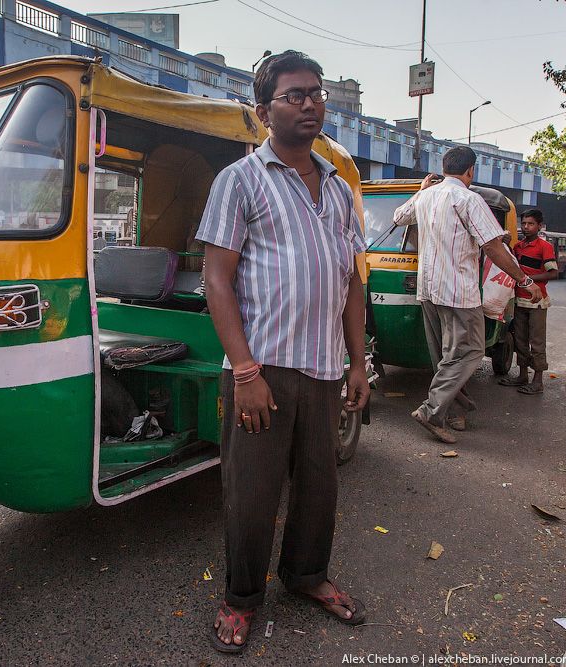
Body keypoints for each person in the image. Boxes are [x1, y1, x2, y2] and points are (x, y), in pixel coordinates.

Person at [196, 50, 369, 654]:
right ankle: (240, 599)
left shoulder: (341, 191)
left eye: (316, 93)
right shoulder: (239, 180)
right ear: (264, 109)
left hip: (323, 369)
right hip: (261, 370)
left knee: (320, 487)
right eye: (294, 95)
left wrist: (357, 360)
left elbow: (350, 279)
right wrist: (244, 370)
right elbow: (217, 279)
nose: (310, 103)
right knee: (251, 492)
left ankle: (307, 577)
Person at [392, 146, 543, 444]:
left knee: (445, 358)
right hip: (458, 292)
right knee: (471, 351)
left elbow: (399, 217)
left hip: (428, 290)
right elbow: (493, 247)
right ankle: (432, 411)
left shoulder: (425, 196)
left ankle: (456, 411)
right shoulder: (468, 199)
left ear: (444, 167)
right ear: (470, 171)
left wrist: (421, 190)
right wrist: (524, 279)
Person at [498, 209, 558, 394]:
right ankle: (523, 375)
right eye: (523, 223)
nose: (526, 227)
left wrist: (528, 280)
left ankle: (538, 381)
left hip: (536, 301)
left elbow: (553, 272)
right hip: (519, 300)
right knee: (520, 339)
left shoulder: (544, 247)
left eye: (530, 224)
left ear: (539, 226)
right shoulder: (519, 246)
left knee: (537, 342)